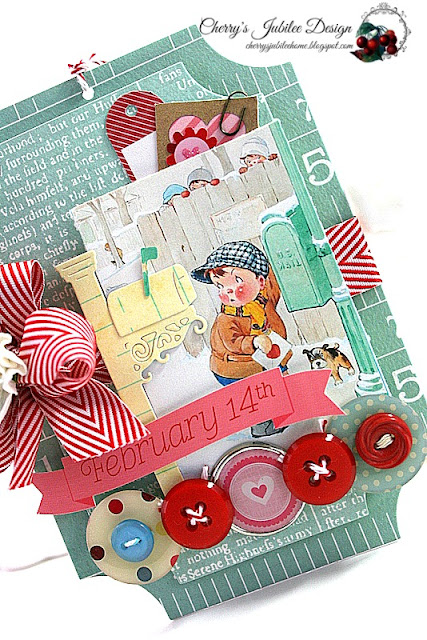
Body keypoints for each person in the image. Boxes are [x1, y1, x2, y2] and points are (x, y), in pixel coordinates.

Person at [191, 241, 292, 437]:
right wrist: (254, 341)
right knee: (257, 395)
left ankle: (282, 411)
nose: (227, 290)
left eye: (237, 280)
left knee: (280, 378)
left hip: (262, 360)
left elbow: (273, 280)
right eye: (220, 286)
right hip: (233, 367)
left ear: (260, 282)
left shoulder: (262, 299)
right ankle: (262, 426)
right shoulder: (226, 317)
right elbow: (233, 343)